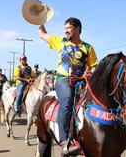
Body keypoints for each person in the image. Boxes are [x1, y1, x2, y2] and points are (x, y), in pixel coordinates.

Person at [38, 17, 98, 155]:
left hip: (82, 80)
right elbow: (42, 34)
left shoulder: (88, 48)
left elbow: (94, 67)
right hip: (63, 80)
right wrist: (38, 19)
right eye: (65, 29)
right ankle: (65, 141)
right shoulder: (61, 42)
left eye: (69, 28)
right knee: (67, 101)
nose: (66, 31)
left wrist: (90, 72)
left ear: (78, 29)